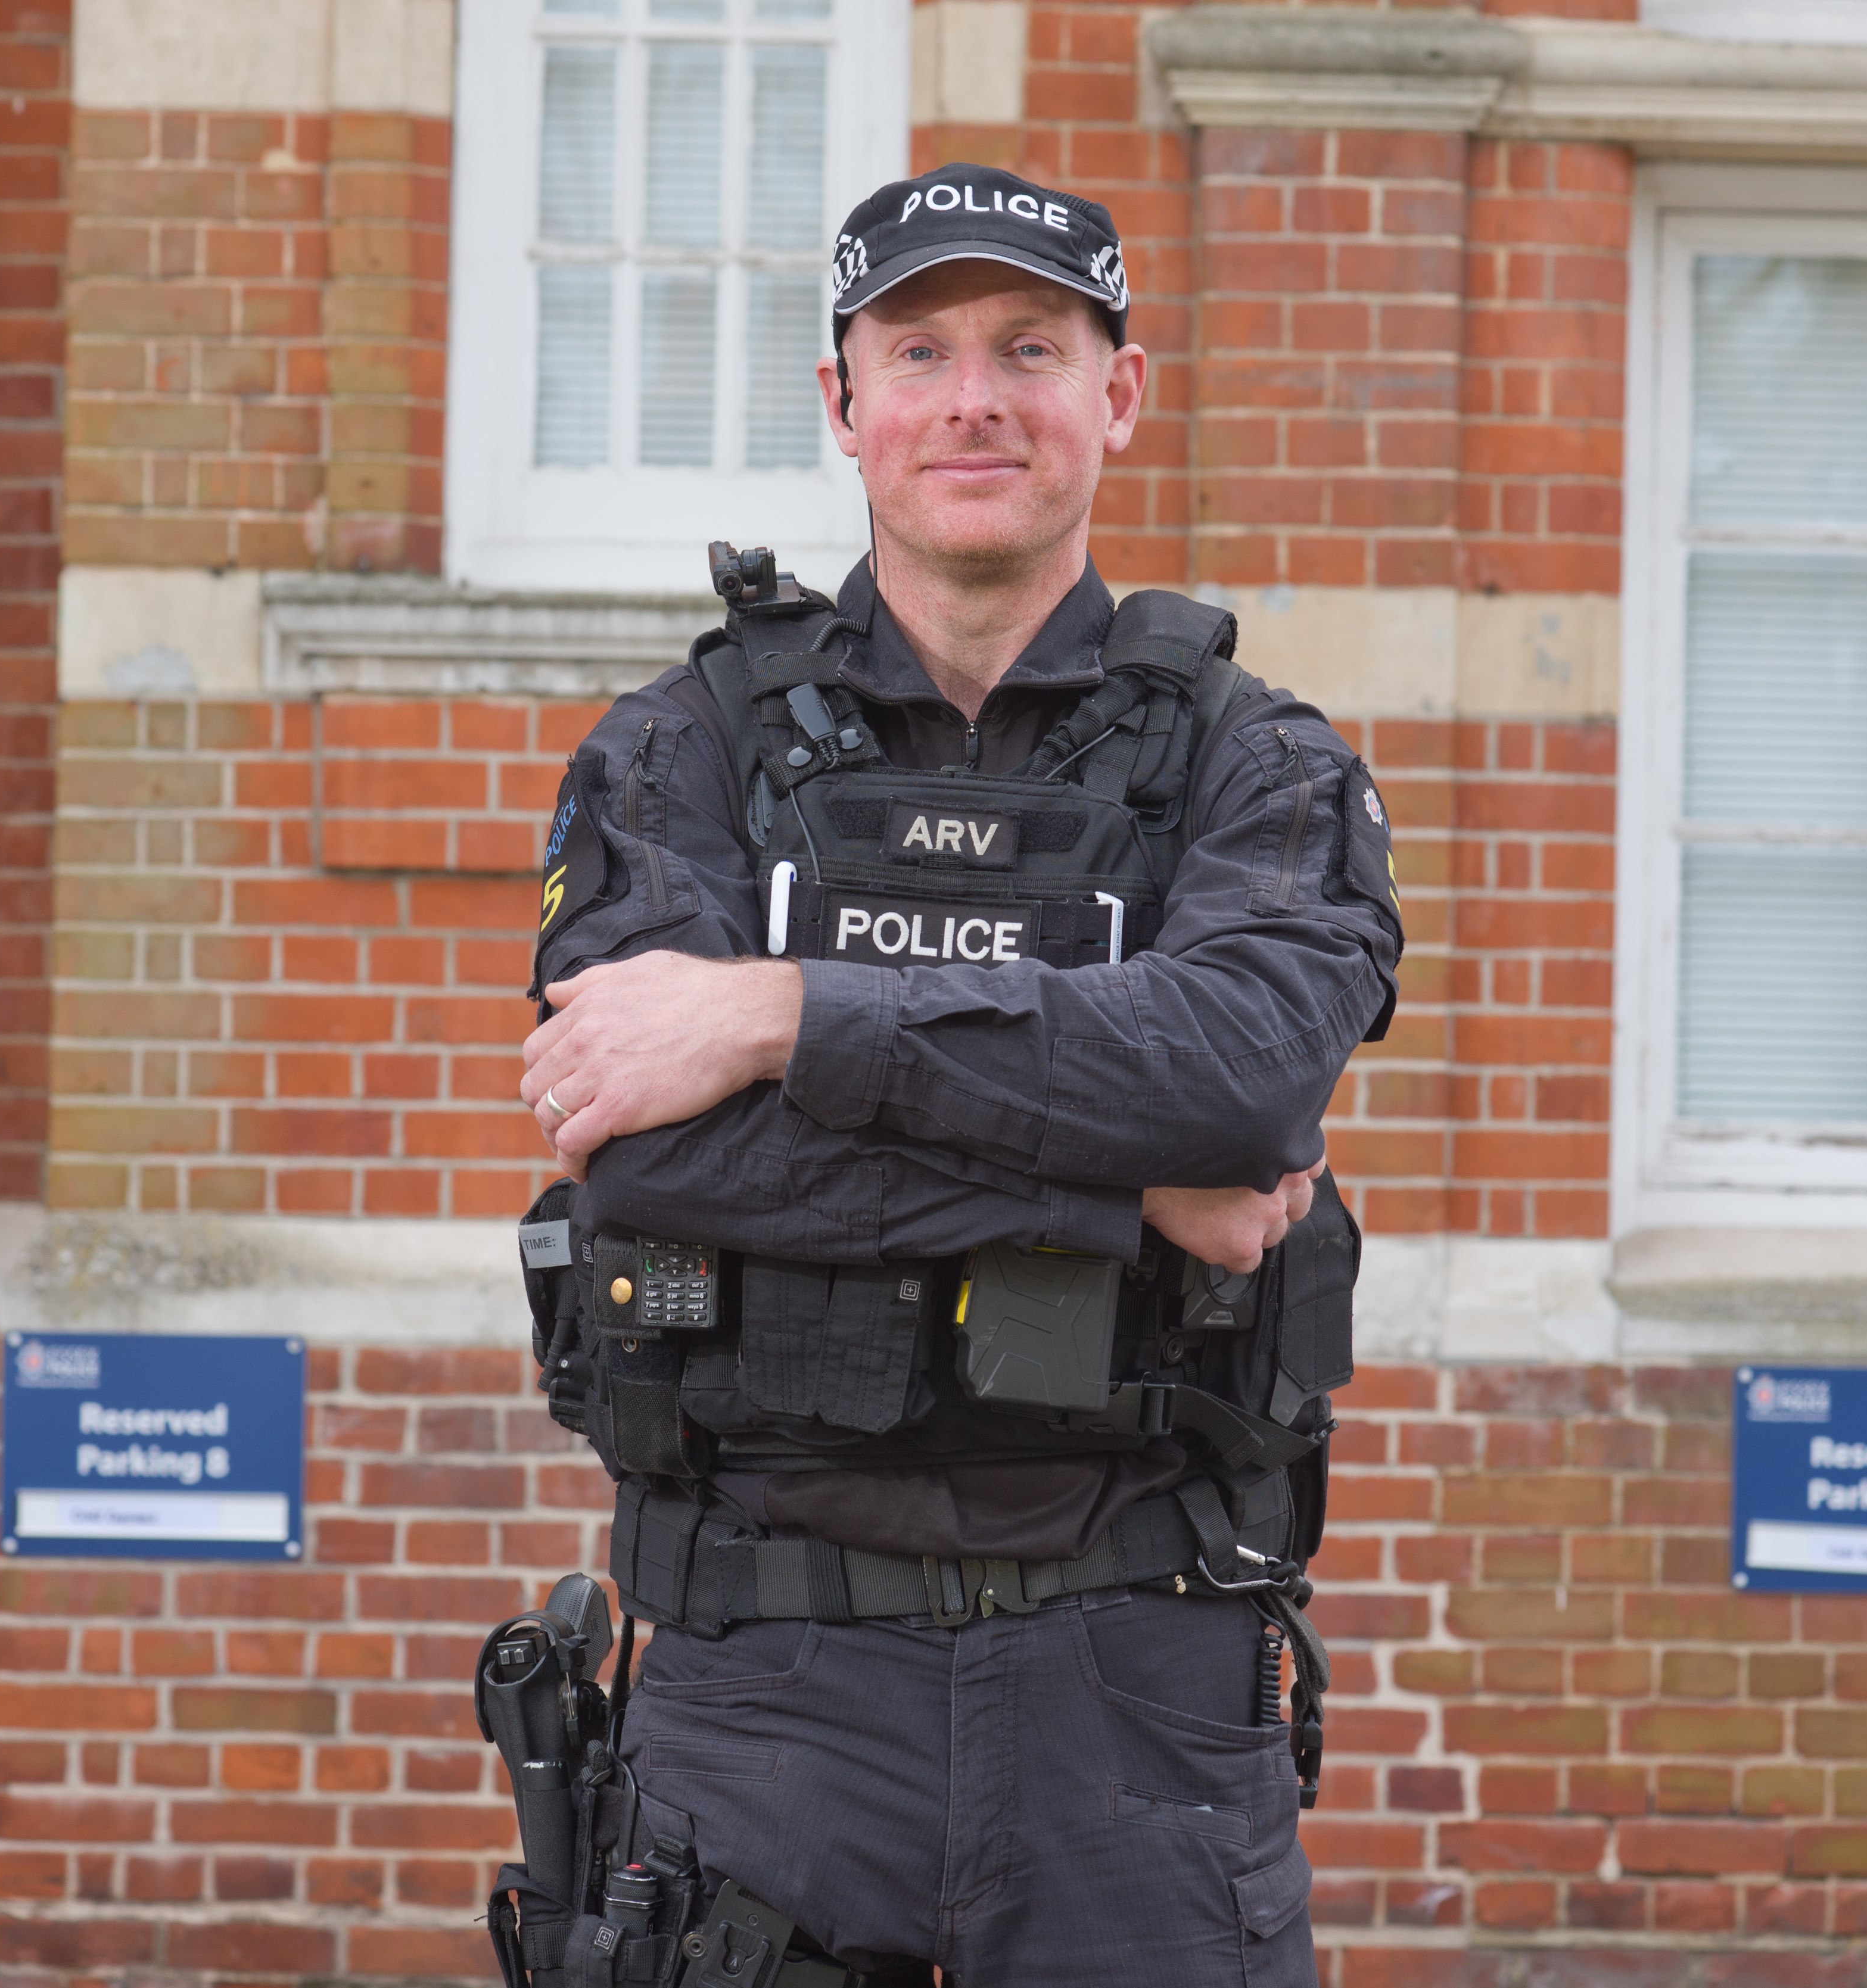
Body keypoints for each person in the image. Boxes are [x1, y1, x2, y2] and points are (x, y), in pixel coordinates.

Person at [505, 164, 1405, 1988]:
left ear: (1118, 395)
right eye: (919, 350)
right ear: (844, 402)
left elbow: (1240, 1088)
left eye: (1030, 348)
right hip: (764, 1695)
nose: (974, 397)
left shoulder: (1256, 766)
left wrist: (782, 1021)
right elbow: (651, 1162)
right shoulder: (684, 752)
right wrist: (1122, 1178)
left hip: (1138, 1694)